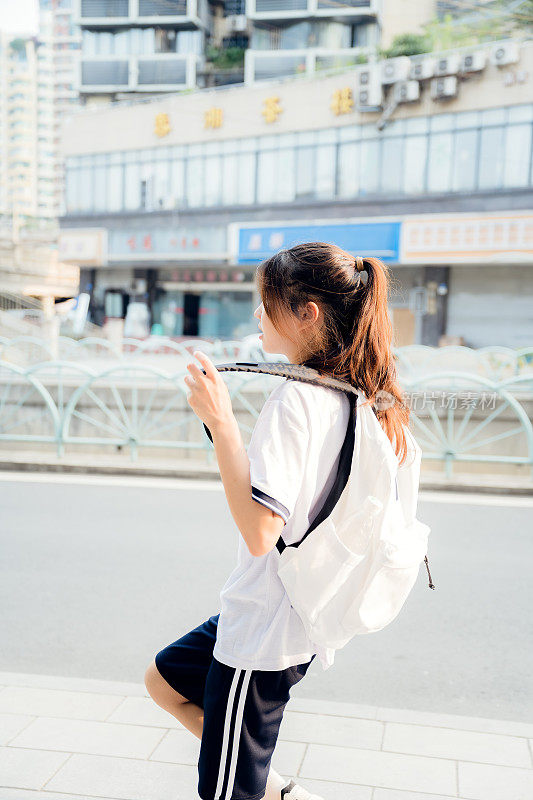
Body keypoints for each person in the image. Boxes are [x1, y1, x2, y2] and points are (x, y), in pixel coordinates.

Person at [144, 242, 411, 800]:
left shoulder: (298, 398)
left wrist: (222, 424)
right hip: (293, 609)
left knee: (224, 792)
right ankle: (273, 788)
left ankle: (256, 787)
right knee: (164, 682)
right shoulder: (361, 394)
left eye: (266, 305)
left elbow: (261, 532)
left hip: (264, 629)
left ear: (306, 312)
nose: (258, 318)